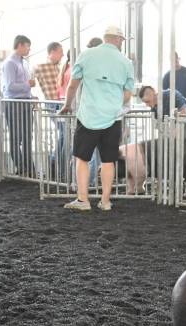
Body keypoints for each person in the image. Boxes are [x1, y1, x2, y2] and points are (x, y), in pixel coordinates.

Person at [60, 25, 134, 211]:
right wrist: (115, 104)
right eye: (122, 41)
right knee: (108, 160)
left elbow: (72, 85)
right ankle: (105, 201)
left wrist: (67, 105)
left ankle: (83, 200)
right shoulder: (126, 62)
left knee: (82, 158)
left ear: (105, 37)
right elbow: (128, 94)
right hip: (113, 118)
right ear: (118, 40)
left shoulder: (86, 55)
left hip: (88, 117)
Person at [1, 34, 36, 176]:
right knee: (16, 137)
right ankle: (22, 167)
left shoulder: (23, 63)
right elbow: (9, 87)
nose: (29, 49)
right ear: (20, 45)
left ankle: (28, 168)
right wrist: (28, 84)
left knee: (27, 136)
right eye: (27, 46)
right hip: (14, 104)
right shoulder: (10, 63)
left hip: (24, 102)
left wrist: (31, 95)